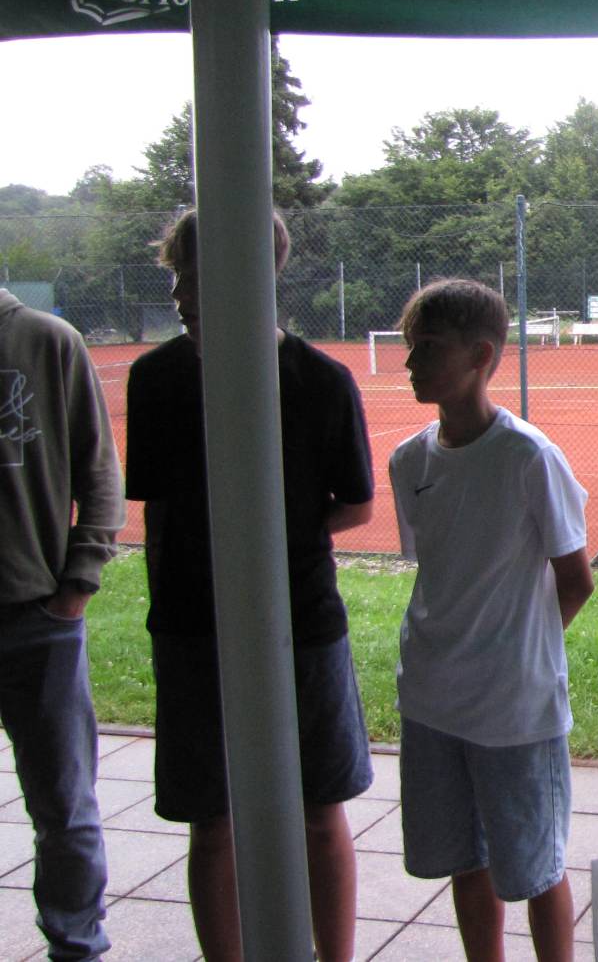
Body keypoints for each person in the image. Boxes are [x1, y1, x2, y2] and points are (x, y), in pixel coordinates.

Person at [126, 209, 375, 962]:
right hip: (190, 625)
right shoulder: (155, 379)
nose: (179, 295)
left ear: (256, 273)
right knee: (212, 819)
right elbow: (158, 509)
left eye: (193, 276)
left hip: (303, 620)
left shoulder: (322, 381)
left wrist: (271, 541)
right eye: (177, 277)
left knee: (319, 810)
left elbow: (356, 503)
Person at [389, 278, 594, 962]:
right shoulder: (409, 460)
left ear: (482, 356)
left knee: (536, 867)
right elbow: (437, 570)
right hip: (431, 700)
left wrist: (517, 651)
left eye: (428, 348)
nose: (411, 362)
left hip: (514, 711)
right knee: (463, 860)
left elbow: (576, 579)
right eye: (411, 347)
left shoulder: (529, 457)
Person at [0, 286, 123, 961]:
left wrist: (78, 581)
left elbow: (99, 469)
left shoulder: (48, 342)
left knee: (65, 805)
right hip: (42, 614)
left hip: (37, 616)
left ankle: (77, 947)